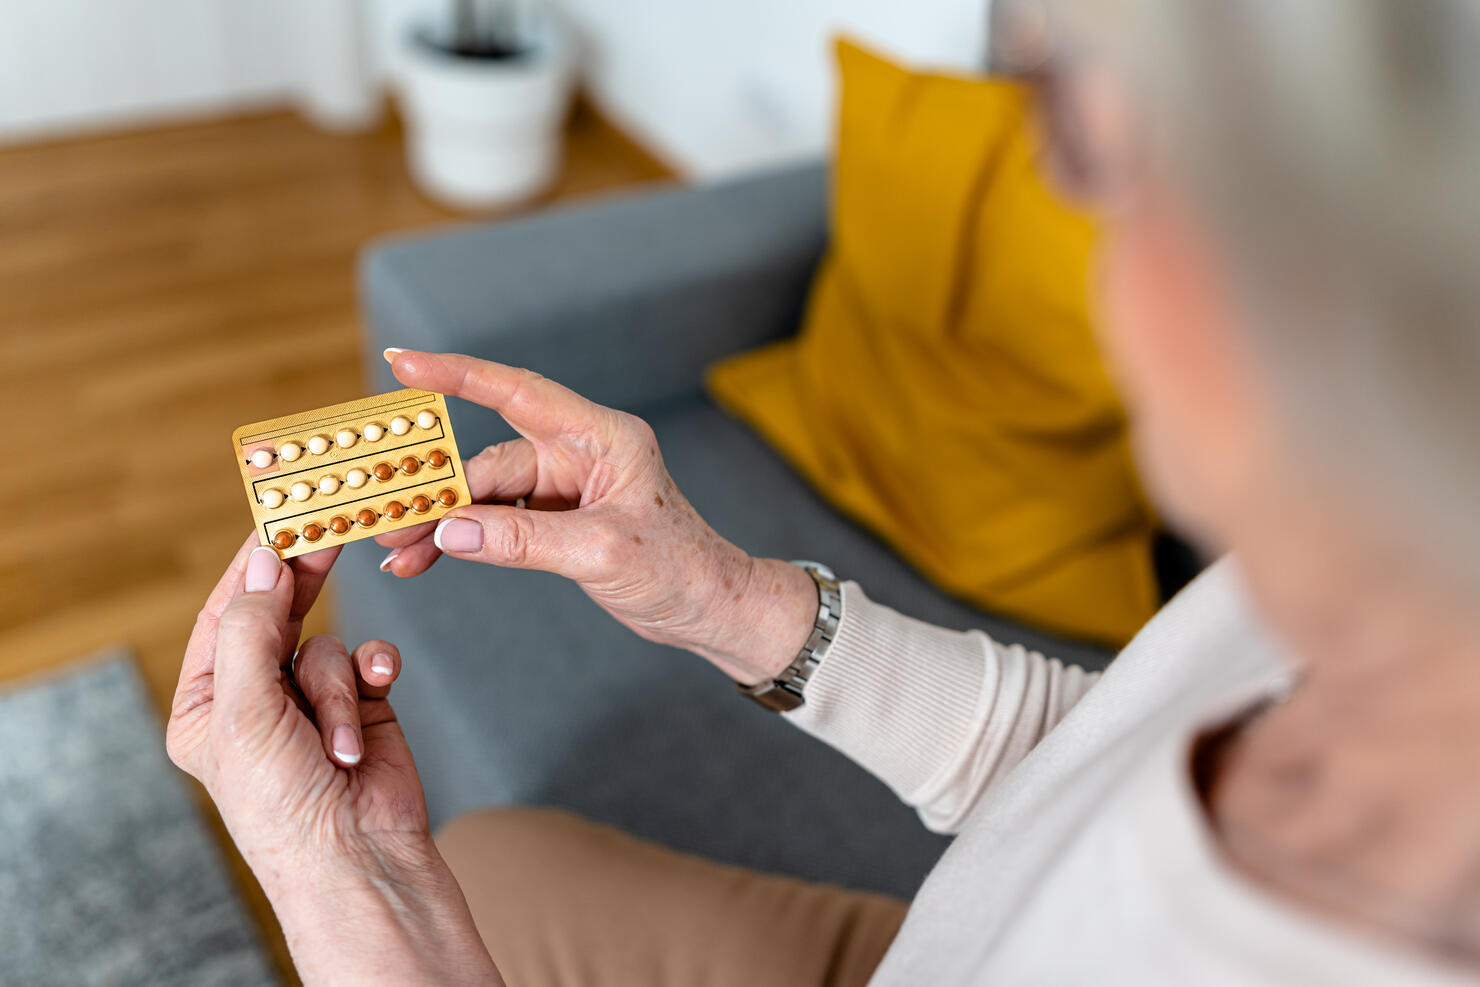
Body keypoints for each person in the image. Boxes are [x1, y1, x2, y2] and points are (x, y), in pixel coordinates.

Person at [168, 0, 1480, 983]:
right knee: (499, 855)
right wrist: (726, 598)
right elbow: (1099, 760)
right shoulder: (1343, 582)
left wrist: (338, 900)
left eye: (1085, 142)